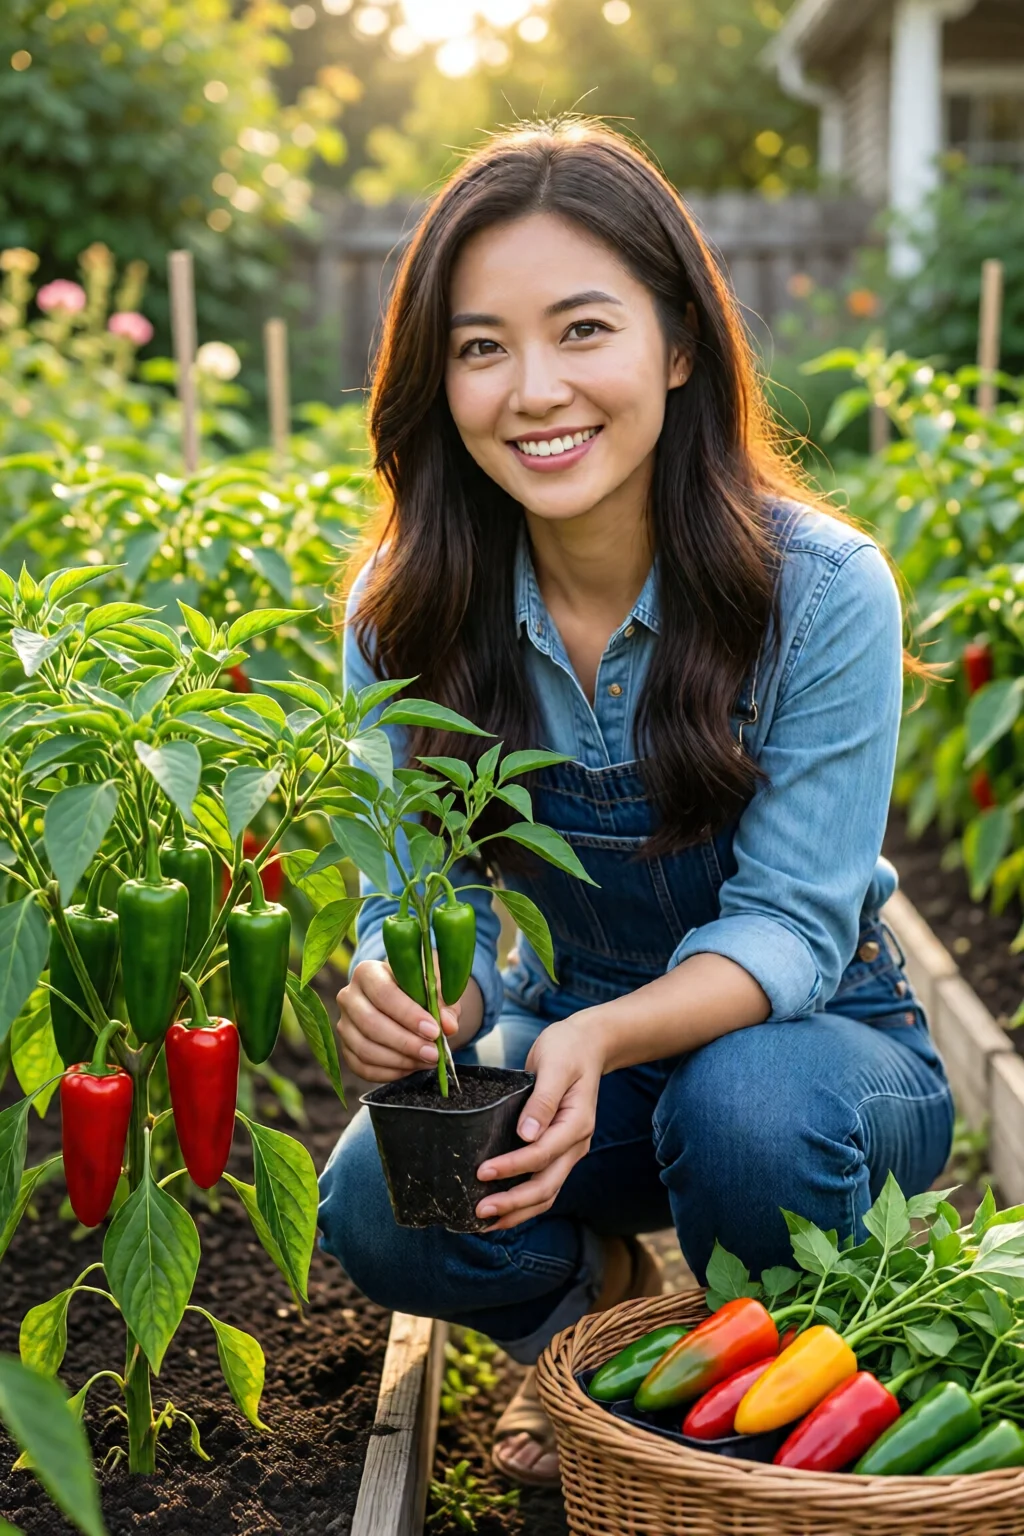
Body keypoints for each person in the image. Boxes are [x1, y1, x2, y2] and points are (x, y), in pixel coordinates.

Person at [316, 117, 955, 1488]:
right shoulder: (403, 614)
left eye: (583, 330)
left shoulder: (820, 591)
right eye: (481, 347)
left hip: (824, 1056)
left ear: (676, 344)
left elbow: (792, 926)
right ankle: (594, 1325)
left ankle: (754, 1398)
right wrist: (406, 987)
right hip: (568, 1058)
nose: (534, 389)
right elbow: (420, 892)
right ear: (439, 379)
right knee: (377, 1193)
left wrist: (596, 1033)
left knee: (746, 1110)